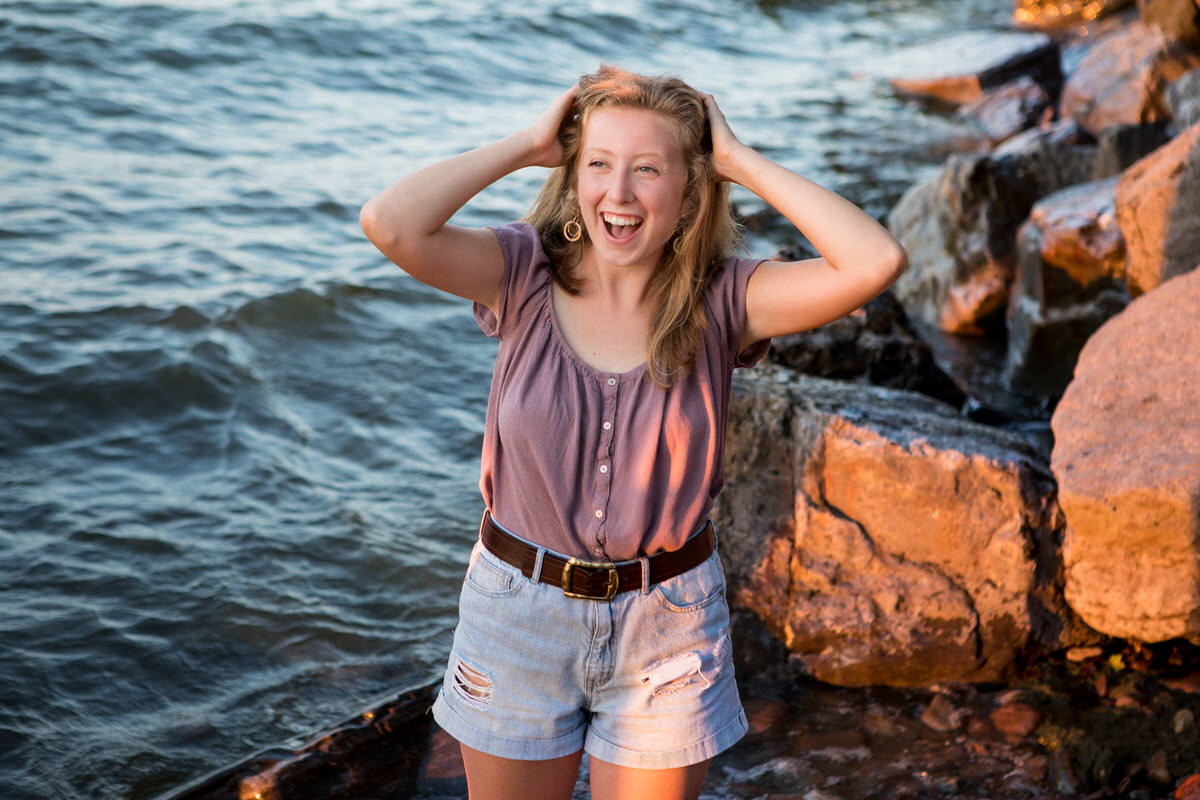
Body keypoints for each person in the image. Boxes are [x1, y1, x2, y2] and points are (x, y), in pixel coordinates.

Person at [360, 65, 906, 800]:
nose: (618, 193)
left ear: (689, 193)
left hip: (668, 628)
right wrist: (525, 146)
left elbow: (876, 260)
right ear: (573, 176)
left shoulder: (725, 300)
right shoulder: (519, 271)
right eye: (598, 164)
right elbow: (389, 223)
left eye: (647, 169)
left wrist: (738, 160)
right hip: (517, 613)